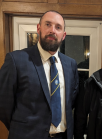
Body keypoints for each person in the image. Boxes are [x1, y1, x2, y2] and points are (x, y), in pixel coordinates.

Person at [0, 11, 79, 139]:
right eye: (48, 24)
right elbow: (3, 104)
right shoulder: (16, 60)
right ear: (38, 28)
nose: (52, 30)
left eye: (58, 27)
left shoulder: (71, 64)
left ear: (63, 35)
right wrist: (20, 128)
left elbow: (72, 102)